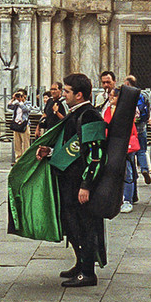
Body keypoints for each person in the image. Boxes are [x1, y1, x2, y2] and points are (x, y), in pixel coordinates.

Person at [37, 73, 107, 287]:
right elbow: (70, 146)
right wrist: (49, 151)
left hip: (79, 184)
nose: (62, 95)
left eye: (66, 91)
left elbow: (96, 154)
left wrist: (86, 185)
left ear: (79, 94)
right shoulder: (76, 113)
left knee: (84, 225)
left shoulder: (90, 115)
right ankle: (80, 263)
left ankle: (88, 272)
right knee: (72, 224)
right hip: (68, 182)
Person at [100, 73, 141, 212]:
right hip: (111, 144)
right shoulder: (107, 109)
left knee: (128, 172)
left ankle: (128, 199)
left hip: (125, 145)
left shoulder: (126, 110)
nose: (111, 97)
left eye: (114, 95)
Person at [8, 88, 33, 160]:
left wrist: (21, 102)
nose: (19, 97)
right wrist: (13, 99)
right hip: (16, 125)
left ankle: (25, 159)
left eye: (21, 95)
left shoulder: (28, 103)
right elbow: (9, 106)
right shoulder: (16, 103)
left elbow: (26, 109)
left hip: (24, 125)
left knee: (25, 144)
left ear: (25, 96)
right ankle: (18, 159)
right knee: (17, 143)